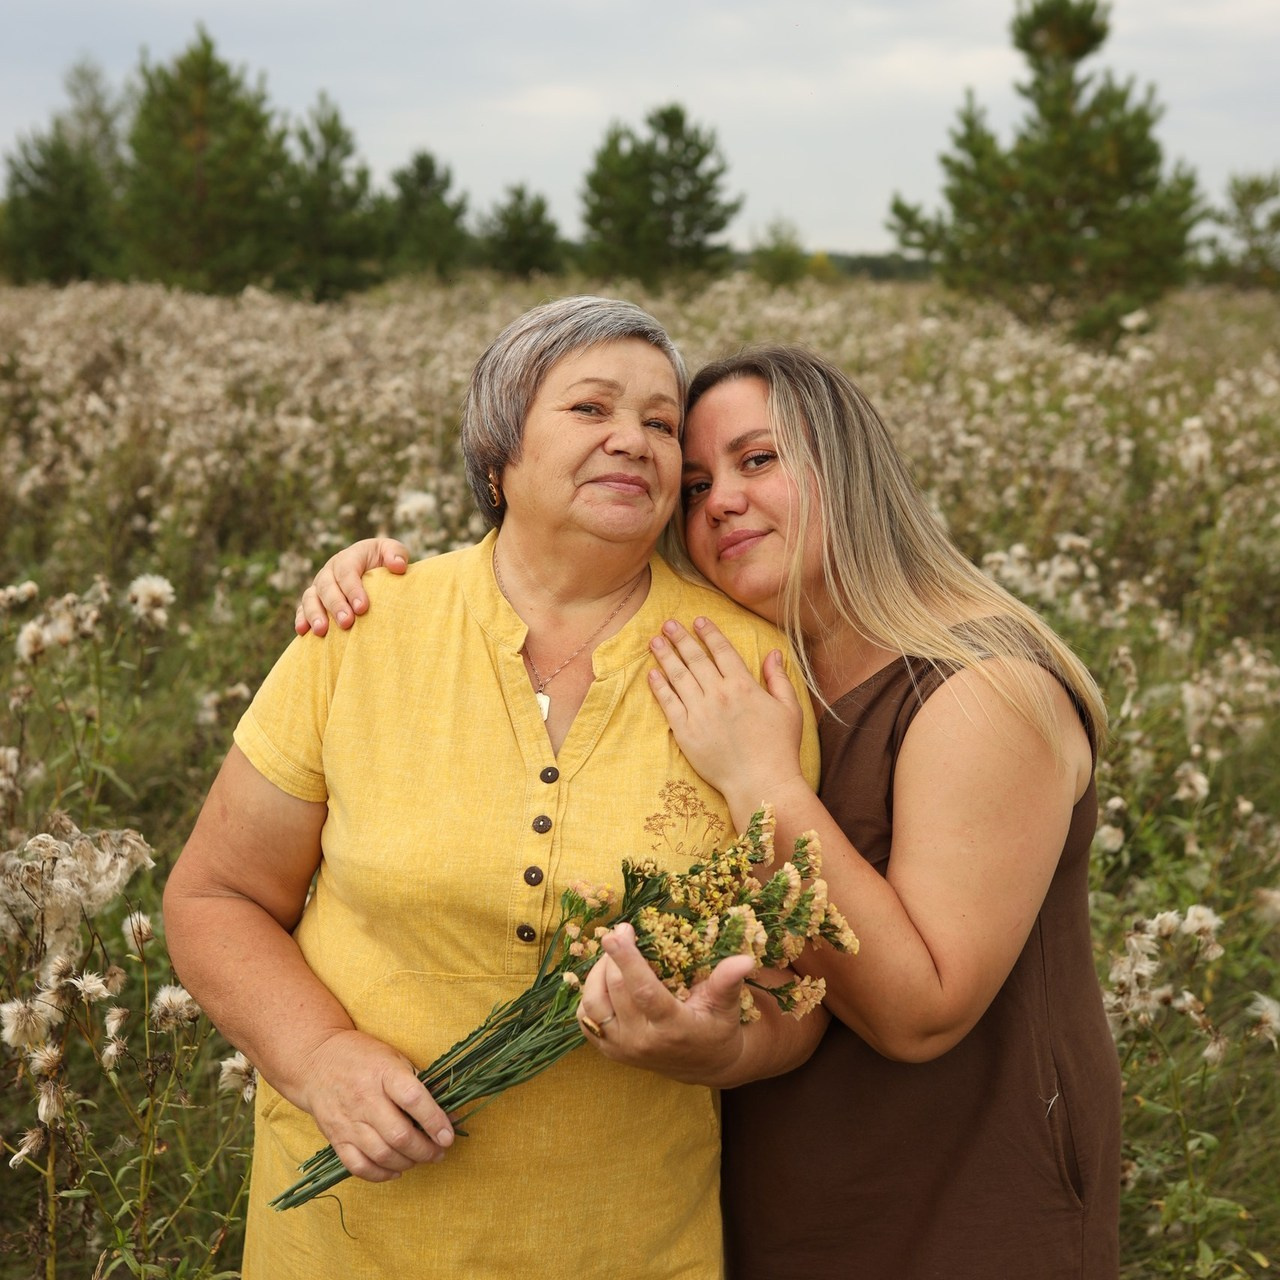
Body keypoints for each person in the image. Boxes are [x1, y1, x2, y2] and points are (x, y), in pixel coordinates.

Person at [304, 344, 1121, 1279]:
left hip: (961, 1191)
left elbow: (922, 1013)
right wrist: (384, 578)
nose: (719, 501)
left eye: (758, 462)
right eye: (692, 486)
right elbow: (552, 565)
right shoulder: (755, 668)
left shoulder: (984, 691)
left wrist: (763, 784)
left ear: (849, 471)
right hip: (774, 1176)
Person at [163, 299, 822, 1280]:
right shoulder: (366, 625)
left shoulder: (748, 668)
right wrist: (318, 1057)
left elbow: (796, 991)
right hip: (345, 1241)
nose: (631, 441)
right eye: (589, 407)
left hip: (623, 1244)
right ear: (495, 450)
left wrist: (711, 1048)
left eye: (656, 421)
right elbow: (214, 897)